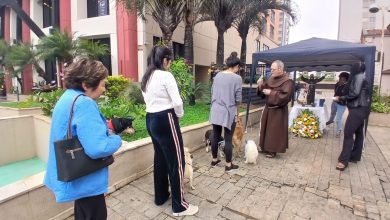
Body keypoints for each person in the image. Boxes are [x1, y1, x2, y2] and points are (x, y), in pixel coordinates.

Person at [44, 58, 122, 220]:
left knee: (82, 213)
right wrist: (117, 139)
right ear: (86, 85)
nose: (104, 89)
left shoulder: (67, 97)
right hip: (86, 179)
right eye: (102, 84)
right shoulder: (84, 104)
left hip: (74, 175)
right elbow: (98, 148)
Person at [141, 46, 198, 216]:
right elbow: (177, 102)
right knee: (177, 160)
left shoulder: (146, 77)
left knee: (160, 157)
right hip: (165, 119)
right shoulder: (166, 76)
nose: (170, 64)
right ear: (165, 60)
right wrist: (177, 116)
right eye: (170, 61)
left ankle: (160, 196)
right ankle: (179, 206)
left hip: (150, 119)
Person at [209, 52, 242, 172]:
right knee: (228, 138)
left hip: (215, 109)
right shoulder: (237, 78)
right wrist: (237, 113)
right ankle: (228, 165)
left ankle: (214, 160)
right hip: (229, 111)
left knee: (215, 135)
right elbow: (238, 99)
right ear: (236, 66)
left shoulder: (217, 75)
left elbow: (212, 91)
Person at [335, 62, 371, 171]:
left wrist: (340, 98)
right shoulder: (363, 76)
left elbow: (355, 93)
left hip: (358, 109)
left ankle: (343, 161)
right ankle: (355, 156)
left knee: (348, 133)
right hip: (362, 109)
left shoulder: (359, 77)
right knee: (359, 133)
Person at [257, 60, 294, 158]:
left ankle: (273, 150)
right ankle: (265, 147)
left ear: (280, 69)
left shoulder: (287, 81)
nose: (271, 71)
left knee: (274, 131)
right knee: (265, 129)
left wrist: (271, 93)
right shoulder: (271, 78)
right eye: (271, 69)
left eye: (273, 69)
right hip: (268, 108)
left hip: (278, 111)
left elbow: (286, 97)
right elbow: (265, 89)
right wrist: (260, 85)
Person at [326, 72, 350, 137]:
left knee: (338, 118)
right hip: (334, 102)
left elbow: (348, 96)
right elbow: (336, 92)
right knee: (332, 113)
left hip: (342, 105)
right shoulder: (337, 84)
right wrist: (335, 98)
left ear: (346, 80)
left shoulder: (348, 87)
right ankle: (331, 120)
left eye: (343, 80)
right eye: (340, 79)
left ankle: (339, 130)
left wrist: (340, 98)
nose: (341, 81)